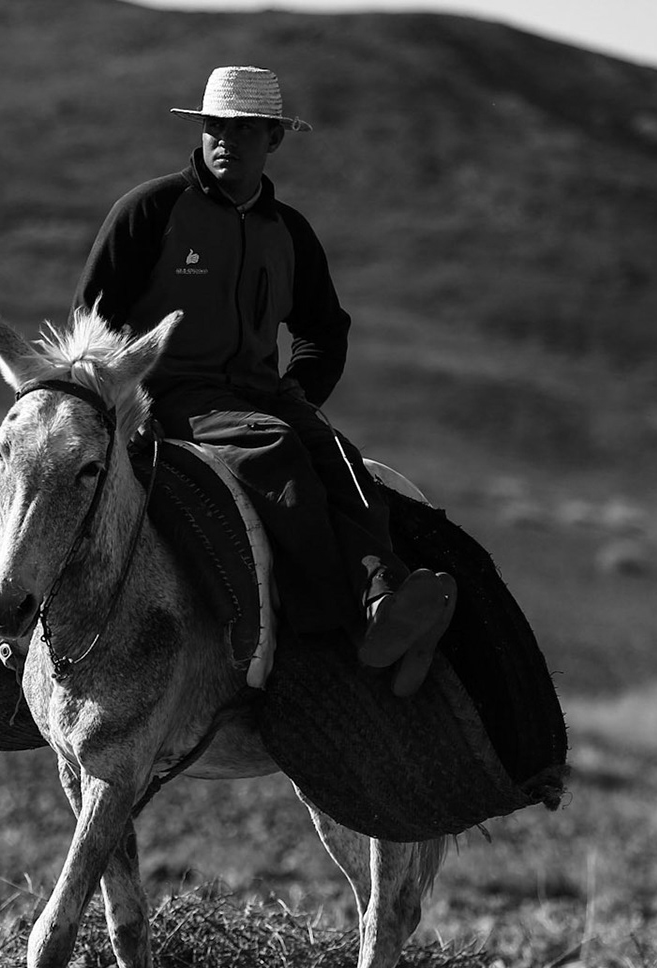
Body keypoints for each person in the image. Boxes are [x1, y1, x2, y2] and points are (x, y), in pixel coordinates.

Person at [74, 65, 456, 697]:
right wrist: (116, 409)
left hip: (261, 393)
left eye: (244, 128)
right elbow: (92, 324)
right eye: (215, 126)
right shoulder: (151, 210)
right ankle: (335, 626)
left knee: (340, 459)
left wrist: (301, 389)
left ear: (273, 140)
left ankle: (386, 600)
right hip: (167, 394)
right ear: (199, 132)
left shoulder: (291, 233)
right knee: (276, 447)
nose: (225, 139)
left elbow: (324, 329)